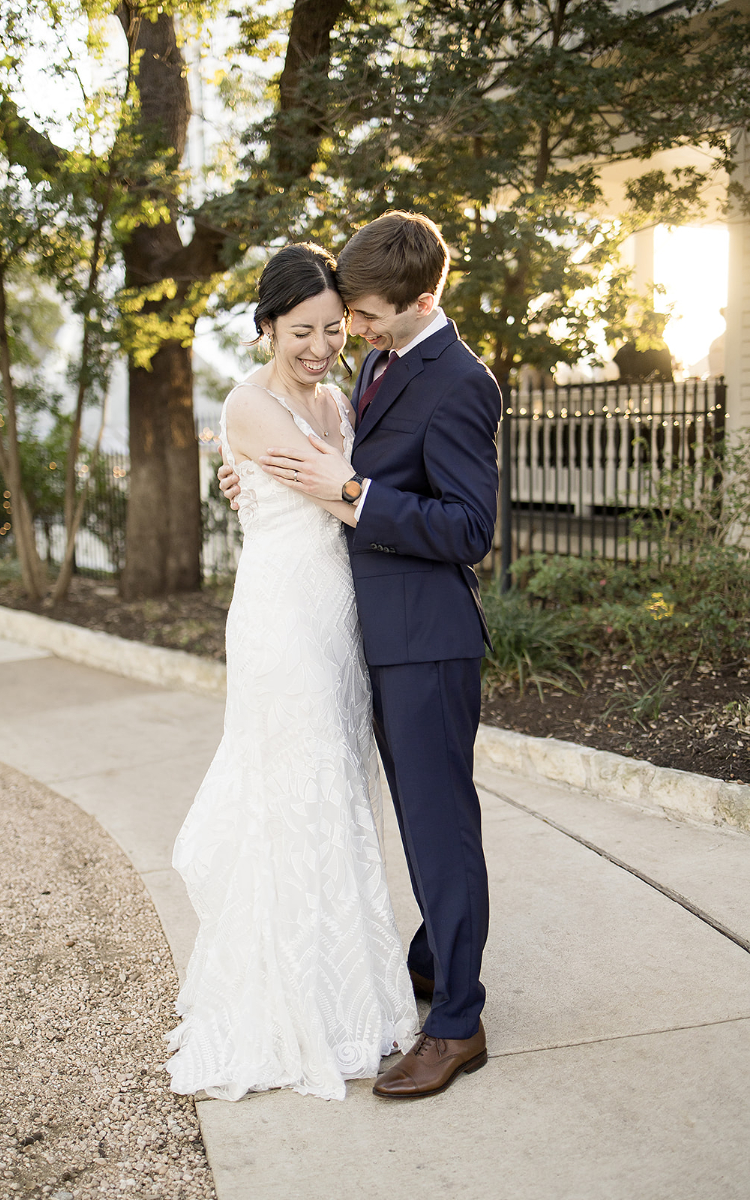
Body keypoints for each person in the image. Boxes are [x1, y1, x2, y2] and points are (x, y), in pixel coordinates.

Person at [221, 211, 502, 1100]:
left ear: (419, 302)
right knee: (407, 819)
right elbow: (299, 451)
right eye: (339, 321)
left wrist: (353, 494)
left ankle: (458, 1024)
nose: (351, 333)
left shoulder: (460, 380)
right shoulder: (379, 364)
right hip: (356, 633)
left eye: (363, 318)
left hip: (425, 641)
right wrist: (246, 479)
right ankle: (426, 959)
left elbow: (470, 530)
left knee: (439, 828)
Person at [166, 243, 418, 1103]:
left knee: (339, 789)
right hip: (282, 624)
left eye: (332, 329)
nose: (318, 346)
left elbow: (355, 485)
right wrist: (322, 481)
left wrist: (353, 481)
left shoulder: (338, 395)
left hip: (339, 619)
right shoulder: (251, 404)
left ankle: (352, 986)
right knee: (295, 793)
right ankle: (296, 1003)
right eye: (300, 330)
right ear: (268, 325)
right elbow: (343, 493)